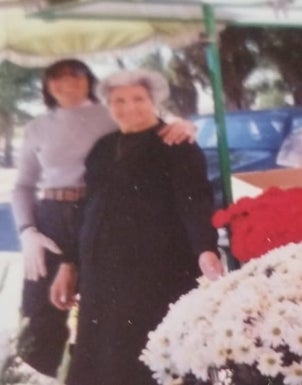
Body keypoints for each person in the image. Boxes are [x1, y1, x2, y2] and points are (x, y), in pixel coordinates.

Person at [11, 58, 197, 378]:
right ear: (46, 85)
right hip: (51, 221)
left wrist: (185, 125)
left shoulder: (109, 113)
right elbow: (23, 185)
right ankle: (36, 377)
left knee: (110, 312)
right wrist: (27, 230)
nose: (67, 84)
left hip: (102, 216)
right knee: (39, 314)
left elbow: (153, 123)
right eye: (57, 78)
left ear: (89, 81)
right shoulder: (36, 128)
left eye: (76, 76)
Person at [49, 68, 223, 385]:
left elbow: (195, 201)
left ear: (153, 101)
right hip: (101, 273)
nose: (129, 107)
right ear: (109, 105)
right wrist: (69, 264)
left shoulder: (176, 143)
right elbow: (86, 209)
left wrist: (205, 249)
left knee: (143, 360)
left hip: (153, 272)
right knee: (100, 358)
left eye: (138, 98)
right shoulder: (103, 148)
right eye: (119, 100)